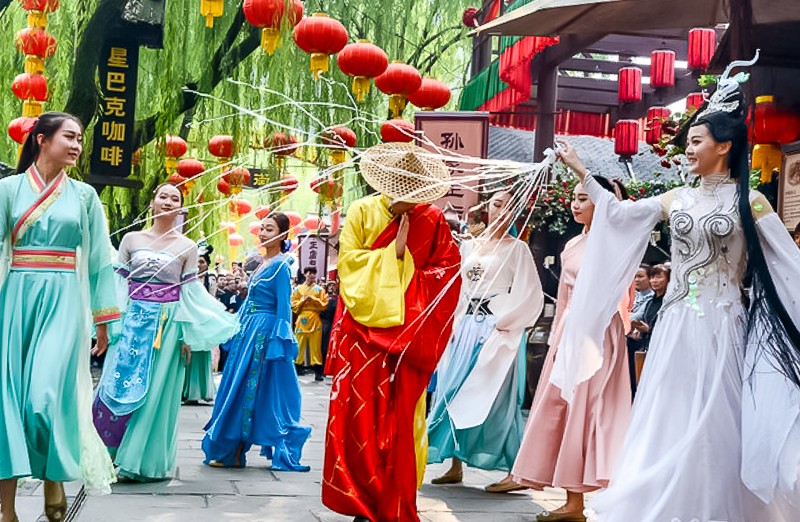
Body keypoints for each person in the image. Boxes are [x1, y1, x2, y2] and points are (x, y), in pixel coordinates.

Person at [556, 57, 800, 521]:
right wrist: (582, 171)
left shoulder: (751, 202)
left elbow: (790, 265)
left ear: (724, 146)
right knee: (669, 414)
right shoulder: (676, 198)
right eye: (688, 142)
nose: (688, 149)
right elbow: (619, 216)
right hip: (674, 325)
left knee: (718, 417)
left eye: (696, 141)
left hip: (725, 327)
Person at [322, 142, 462, 522]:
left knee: (399, 420)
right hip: (362, 335)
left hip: (409, 337)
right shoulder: (362, 210)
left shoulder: (432, 219)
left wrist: (406, 267)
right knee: (358, 417)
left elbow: (448, 273)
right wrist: (392, 256)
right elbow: (348, 265)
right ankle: (360, 500)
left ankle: (393, 499)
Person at [0, 112, 120, 522]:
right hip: (15, 299)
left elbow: (100, 260)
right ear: (41, 139)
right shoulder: (8, 190)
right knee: (8, 403)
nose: (77, 146)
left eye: (80, 139)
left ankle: (53, 475)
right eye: (69, 137)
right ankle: (7, 509)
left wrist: (103, 320)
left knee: (44, 399)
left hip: (65, 300)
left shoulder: (84, 196)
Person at [92, 183, 238, 482]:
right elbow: (117, 284)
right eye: (163, 196)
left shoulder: (187, 246)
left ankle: (141, 461)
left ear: (181, 208)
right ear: (153, 203)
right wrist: (108, 324)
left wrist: (187, 335)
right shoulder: (132, 239)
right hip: (132, 319)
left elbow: (189, 293)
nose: (169, 201)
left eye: (175, 198)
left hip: (167, 325)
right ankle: (107, 453)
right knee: (114, 384)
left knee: (157, 390)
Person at [507, 176, 632, 521]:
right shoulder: (573, 243)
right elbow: (563, 296)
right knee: (562, 407)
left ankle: (591, 496)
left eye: (585, 198)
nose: (576, 205)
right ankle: (572, 501)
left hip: (599, 332)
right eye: (574, 198)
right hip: (569, 329)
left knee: (590, 410)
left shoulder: (616, 241)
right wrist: (556, 339)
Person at [427, 190, 543, 489]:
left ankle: (515, 470)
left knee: (498, 399)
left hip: (496, 329)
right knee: (452, 391)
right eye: (496, 204)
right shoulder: (469, 246)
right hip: (466, 326)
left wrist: (506, 323)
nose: (500, 210)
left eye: (508, 206)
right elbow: (458, 287)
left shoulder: (518, 249)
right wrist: (452, 323)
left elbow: (530, 292)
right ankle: (454, 462)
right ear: (487, 208)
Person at [202, 212, 312, 472]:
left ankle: (238, 448)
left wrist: (279, 340)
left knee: (252, 386)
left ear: (283, 234)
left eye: (270, 229)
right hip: (248, 330)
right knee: (236, 384)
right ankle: (233, 448)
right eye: (262, 228)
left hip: (264, 332)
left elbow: (284, 306)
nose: (263, 233)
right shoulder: (263, 263)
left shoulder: (281, 266)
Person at [183, 241, 219, 403]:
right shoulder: (187, 278)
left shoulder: (210, 280)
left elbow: (212, 300)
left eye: (202, 262)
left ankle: (200, 390)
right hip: (189, 319)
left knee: (201, 353)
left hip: (203, 320)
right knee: (187, 353)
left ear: (207, 264)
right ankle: (185, 390)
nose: (199, 265)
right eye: (196, 261)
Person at [626, 264, 670, 396]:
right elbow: (636, 317)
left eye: (658, 277)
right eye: (652, 277)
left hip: (661, 345)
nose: (654, 281)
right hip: (647, 344)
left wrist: (649, 329)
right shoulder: (651, 301)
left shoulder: (669, 302)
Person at [291, 266, 329, 381]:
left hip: (315, 318)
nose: (311, 275)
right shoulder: (297, 289)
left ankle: (318, 372)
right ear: (305, 274)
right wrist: (303, 301)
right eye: (309, 273)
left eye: (313, 273)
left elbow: (324, 305)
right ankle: (297, 368)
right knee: (299, 344)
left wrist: (314, 299)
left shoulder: (319, 290)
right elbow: (293, 305)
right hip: (302, 318)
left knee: (315, 346)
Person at [319, 280, 339, 372]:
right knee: (322, 346)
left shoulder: (337, 299)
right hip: (323, 323)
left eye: (333, 285)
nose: (331, 287)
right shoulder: (323, 298)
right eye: (329, 285)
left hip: (332, 323)